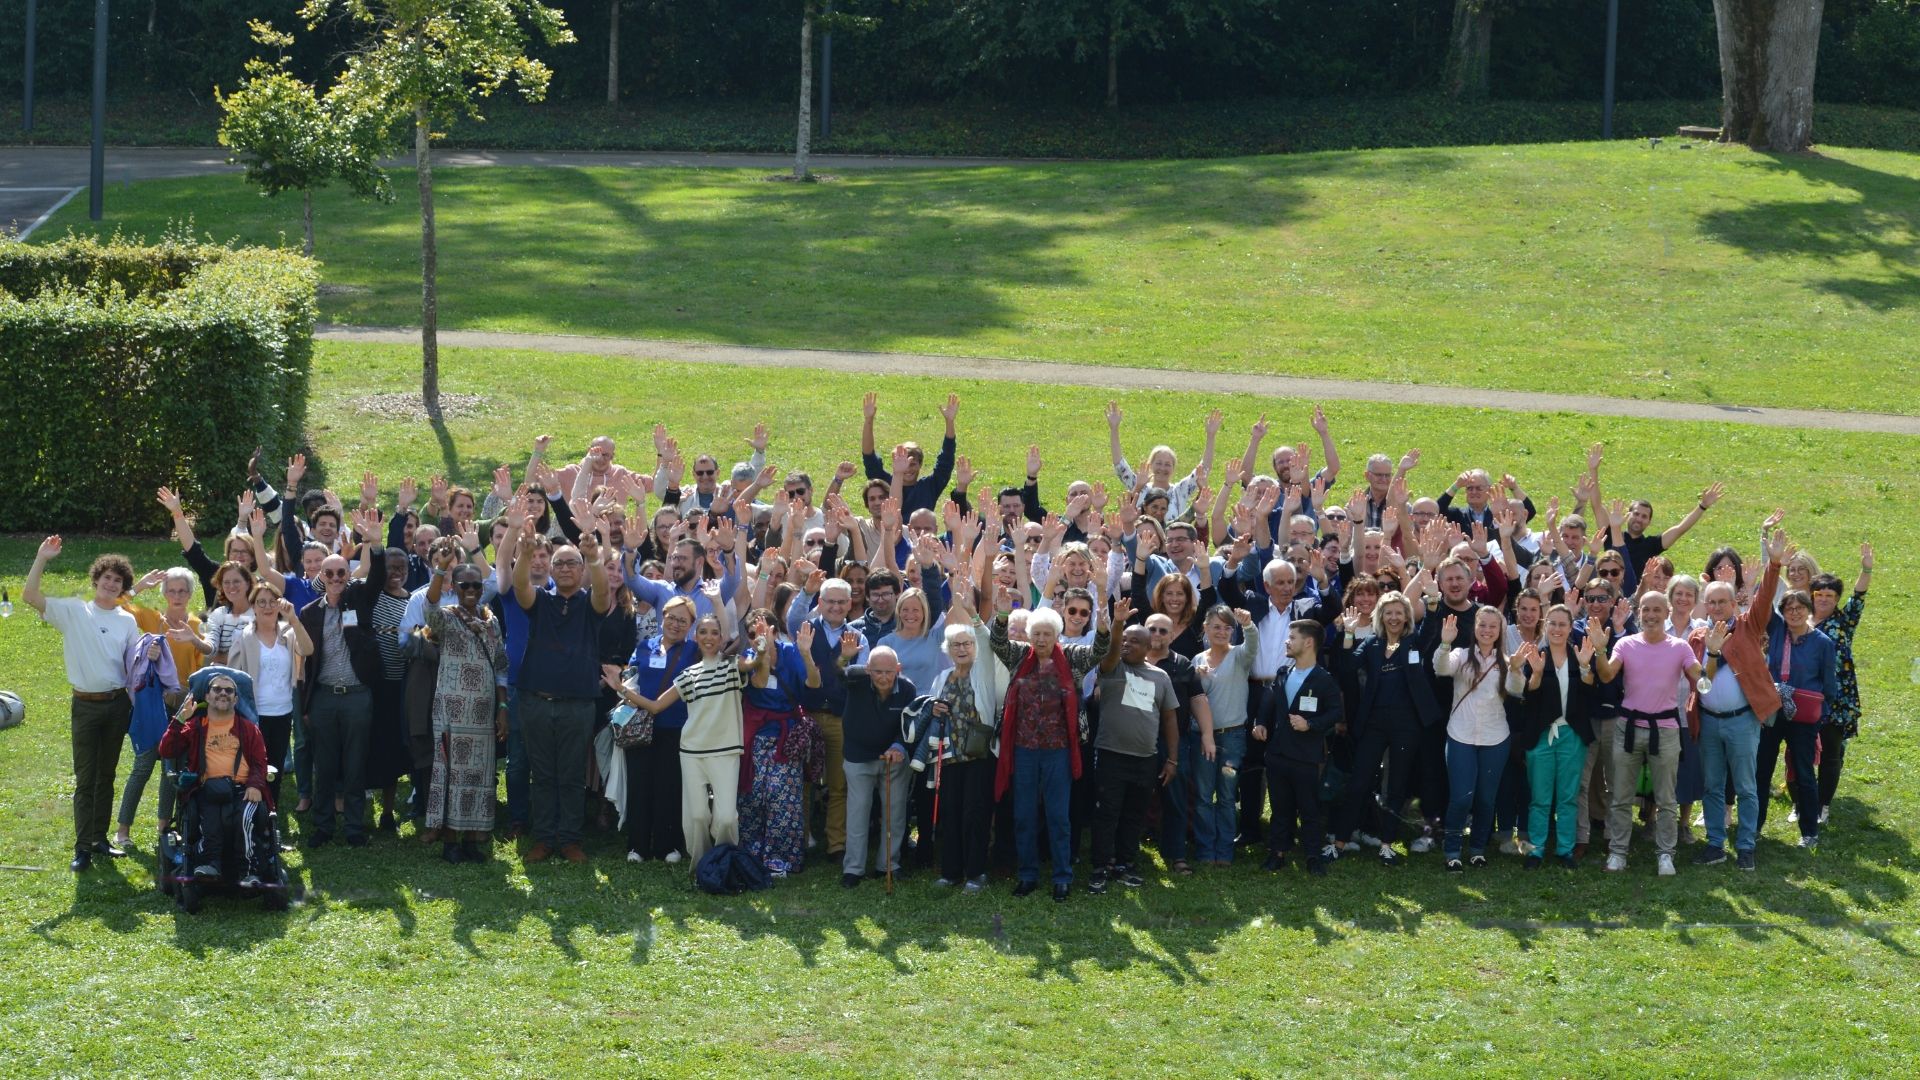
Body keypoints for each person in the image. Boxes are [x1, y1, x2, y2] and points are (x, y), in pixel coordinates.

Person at [23, 536, 143, 871]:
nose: (110, 583)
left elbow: (134, 666)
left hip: (117, 705)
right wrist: (41, 558)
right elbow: (29, 596)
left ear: (122, 588)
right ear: (96, 580)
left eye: (117, 580)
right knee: (85, 777)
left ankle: (99, 839)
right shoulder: (74, 611)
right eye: (106, 577)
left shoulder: (127, 621)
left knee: (106, 775)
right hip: (86, 706)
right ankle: (82, 848)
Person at [989, 599, 1120, 901]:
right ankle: (1027, 875)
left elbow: (1099, 651)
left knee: (1059, 816)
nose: (1041, 639)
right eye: (1037, 634)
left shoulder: (1071, 658)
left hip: (1058, 751)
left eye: (1047, 634)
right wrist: (1002, 612)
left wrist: (1103, 626)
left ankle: (1062, 877)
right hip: (1023, 750)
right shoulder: (1020, 655)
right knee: (1023, 815)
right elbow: (997, 641)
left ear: (1057, 635)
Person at [614, 609, 750, 867]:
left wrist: (763, 648)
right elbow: (655, 706)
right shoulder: (686, 674)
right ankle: (701, 864)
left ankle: (724, 860)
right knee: (696, 816)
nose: (709, 637)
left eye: (714, 633)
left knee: (725, 818)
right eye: (703, 632)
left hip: (723, 749)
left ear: (721, 638)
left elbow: (752, 662)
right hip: (690, 748)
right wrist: (620, 688)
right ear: (695, 638)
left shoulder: (732, 666)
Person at [513, 521, 612, 865]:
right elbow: (520, 586)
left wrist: (595, 558)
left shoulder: (591, 604)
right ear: (552, 570)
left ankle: (569, 840)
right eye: (560, 563)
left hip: (577, 705)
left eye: (573, 563)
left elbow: (603, 593)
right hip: (535, 701)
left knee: (570, 775)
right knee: (541, 774)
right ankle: (543, 839)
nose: (566, 568)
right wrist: (525, 556)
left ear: (582, 569)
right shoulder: (540, 601)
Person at [1688, 526, 1785, 871]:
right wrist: (1712, 655)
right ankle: (1715, 844)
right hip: (1711, 722)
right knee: (1713, 786)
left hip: (1743, 721)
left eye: (1722, 602)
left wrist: (1773, 565)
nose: (1716, 607)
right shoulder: (1697, 639)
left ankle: (1745, 846)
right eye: (1711, 602)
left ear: (1734, 602)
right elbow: (1700, 686)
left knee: (1746, 786)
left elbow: (1765, 597)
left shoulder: (1749, 625)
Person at [1593, 590, 1707, 876]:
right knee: (1620, 795)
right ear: (1638, 612)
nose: (1652, 615)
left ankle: (1666, 854)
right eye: (1646, 609)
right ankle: (1618, 852)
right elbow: (1607, 675)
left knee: (1667, 798)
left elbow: (1703, 685)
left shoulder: (1680, 647)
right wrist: (1598, 650)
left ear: (1667, 612)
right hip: (1628, 729)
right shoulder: (1626, 644)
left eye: (1657, 609)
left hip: (1666, 730)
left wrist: (1713, 654)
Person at [298, 516, 385, 850]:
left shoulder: (359, 600)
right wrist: (306, 705)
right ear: (321, 576)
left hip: (357, 696)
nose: (335, 579)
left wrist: (375, 544)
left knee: (354, 766)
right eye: (329, 573)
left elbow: (376, 576)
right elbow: (305, 660)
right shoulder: (309, 612)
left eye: (341, 573)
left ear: (349, 576)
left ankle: (353, 827)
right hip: (323, 697)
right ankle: (322, 826)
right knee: (325, 764)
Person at [1332, 590, 1437, 865]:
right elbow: (1346, 668)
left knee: (1397, 785)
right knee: (1359, 782)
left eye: (1398, 612)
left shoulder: (1414, 643)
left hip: (1407, 725)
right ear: (1381, 615)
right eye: (1388, 612)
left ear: (1406, 617)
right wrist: (1348, 634)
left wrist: (1433, 600)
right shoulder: (1372, 645)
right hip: (1374, 724)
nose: (1393, 617)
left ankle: (1388, 844)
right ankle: (1339, 841)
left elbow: (1432, 628)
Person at [115, 566, 208, 850]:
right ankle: (122, 830)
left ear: (191, 594)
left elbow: (200, 665)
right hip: (151, 703)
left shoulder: (195, 625)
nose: (177, 595)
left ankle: (164, 826)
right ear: (164, 593)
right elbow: (116, 605)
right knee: (142, 766)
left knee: (172, 769)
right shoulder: (152, 618)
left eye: (182, 591)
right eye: (171, 590)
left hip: (181, 703)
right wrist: (138, 587)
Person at [922, 580, 1006, 893]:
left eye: (966, 644)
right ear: (948, 650)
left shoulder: (983, 671)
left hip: (980, 754)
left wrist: (973, 616)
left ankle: (976, 872)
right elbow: (931, 709)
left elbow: (984, 640)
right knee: (950, 812)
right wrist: (937, 710)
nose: (962, 649)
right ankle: (950, 871)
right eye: (956, 645)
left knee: (976, 813)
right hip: (949, 754)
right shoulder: (942, 676)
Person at [421, 563, 509, 864]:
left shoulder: (492, 621)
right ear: (454, 588)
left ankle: (472, 840)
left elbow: (500, 665)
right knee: (451, 774)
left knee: (479, 774)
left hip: (483, 711)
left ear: (482, 589)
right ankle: (450, 841)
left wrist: (503, 707)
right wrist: (440, 570)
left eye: (475, 585)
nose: (470, 591)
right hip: (451, 710)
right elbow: (429, 607)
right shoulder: (446, 618)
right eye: (464, 585)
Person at [156, 673, 274, 885]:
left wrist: (256, 785)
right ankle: (209, 864)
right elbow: (167, 750)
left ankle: (248, 871)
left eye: (229, 691)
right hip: (206, 788)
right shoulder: (195, 727)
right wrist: (180, 719)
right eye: (217, 689)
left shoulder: (248, 729)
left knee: (244, 819)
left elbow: (260, 761)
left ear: (236, 700)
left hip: (243, 789)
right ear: (207, 697)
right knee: (207, 821)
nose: (223, 693)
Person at [1088, 621, 1180, 893]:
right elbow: (1111, 650)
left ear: (1149, 647)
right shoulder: (1112, 669)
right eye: (1124, 640)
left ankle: (1125, 865)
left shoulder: (1160, 677)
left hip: (1145, 759)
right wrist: (1118, 625)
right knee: (1107, 814)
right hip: (1110, 756)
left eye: (1134, 641)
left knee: (1134, 815)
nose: (1127, 644)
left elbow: (1169, 718)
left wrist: (1172, 759)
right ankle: (1099, 868)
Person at [1432, 606, 1524, 871]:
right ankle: (1452, 850)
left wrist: (1516, 670)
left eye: (1492, 626)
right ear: (1475, 627)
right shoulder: (1461, 655)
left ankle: (1477, 850)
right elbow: (1441, 668)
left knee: (1486, 798)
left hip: (1495, 737)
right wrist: (1445, 643)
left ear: (1499, 631)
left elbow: (1516, 691)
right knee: (1461, 797)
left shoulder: (1506, 660)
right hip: (1460, 734)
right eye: (1482, 625)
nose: (1487, 630)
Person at [1251, 619, 1345, 875]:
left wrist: (1311, 724)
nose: (1287, 641)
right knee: (1280, 807)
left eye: (1292, 637)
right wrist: (1260, 722)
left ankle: (1313, 856)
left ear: (1308, 642)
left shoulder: (1323, 679)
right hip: (1278, 753)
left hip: (1306, 757)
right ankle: (1277, 852)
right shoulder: (1283, 672)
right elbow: (1269, 701)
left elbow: (1336, 713)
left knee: (1309, 808)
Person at [739, 610, 824, 875]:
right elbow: (760, 682)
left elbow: (813, 685)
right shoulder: (750, 657)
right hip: (756, 735)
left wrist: (807, 655)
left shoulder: (792, 652)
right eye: (752, 634)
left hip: (787, 737)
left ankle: (781, 859)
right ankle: (751, 854)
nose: (757, 637)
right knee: (751, 797)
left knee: (782, 798)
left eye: (763, 631)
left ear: (775, 630)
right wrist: (762, 653)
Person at [827, 640, 917, 888]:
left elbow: (910, 725)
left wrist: (899, 746)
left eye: (889, 671)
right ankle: (853, 869)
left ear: (898, 669)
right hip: (858, 756)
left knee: (895, 812)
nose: (884, 677)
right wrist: (844, 658)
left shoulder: (908, 689)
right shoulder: (856, 678)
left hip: (893, 758)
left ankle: (888, 865)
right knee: (858, 811)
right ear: (868, 669)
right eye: (878, 671)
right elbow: (838, 673)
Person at [1515, 605, 1598, 869]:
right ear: (1545, 625)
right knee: (1540, 797)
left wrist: (1585, 667)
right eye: (1552, 623)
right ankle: (1536, 850)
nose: (1557, 629)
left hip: (1571, 735)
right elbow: (1529, 696)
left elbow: (1589, 692)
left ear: (1570, 627)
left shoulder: (1580, 655)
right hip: (1541, 735)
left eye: (1563, 624)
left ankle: (1565, 850)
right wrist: (1537, 673)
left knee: (1567, 796)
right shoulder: (1537, 655)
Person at [1757, 589, 1839, 852]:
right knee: (1762, 770)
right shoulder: (1778, 631)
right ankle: (1754, 827)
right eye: (1789, 608)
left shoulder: (1822, 642)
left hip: (1804, 717)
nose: (1795, 613)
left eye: (1800, 608)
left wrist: (1819, 717)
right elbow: (1764, 602)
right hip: (1773, 710)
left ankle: (1809, 831)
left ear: (1809, 610)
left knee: (1804, 772)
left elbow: (1829, 684)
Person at [624, 597, 698, 863]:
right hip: (641, 728)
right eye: (672, 617)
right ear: (662, 617)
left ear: (690, 626)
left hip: (676, 728)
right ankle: (638, 846)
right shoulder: (645, 647)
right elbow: (630, 677)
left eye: (683, 620)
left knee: (670, 786)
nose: (676, 624)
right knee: (639, 785)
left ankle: (669, 845)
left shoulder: (693, 651)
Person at [228, 583, 313, 812]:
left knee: (274, 770)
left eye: (272, 601)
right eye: (261, 602)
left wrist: (294, 618)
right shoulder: (244, 637)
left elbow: (308, 649)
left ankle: (270, 820)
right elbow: (233, 677)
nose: (267, 607)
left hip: (283, 712)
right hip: (253, 716)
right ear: (253, 607)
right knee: (252, 769)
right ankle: (250, 820)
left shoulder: (289, 632)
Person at [1809, 544, 1872, 825]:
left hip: (1836, 698)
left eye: (1830, 596)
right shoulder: (1799, 620)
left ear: (1836, 599)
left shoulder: (1844, 621)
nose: (1823, 600)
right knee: (1802, 752)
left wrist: (1866, 568)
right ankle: (1803, 801)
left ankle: (1823, 805)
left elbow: (1859, 595)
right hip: (1805, 695)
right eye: (1819, 595)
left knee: (1831, 753)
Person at [1192, 605, 1258, 867]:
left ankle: (1225, 852)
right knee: (1204, 796)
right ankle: (1206, 850)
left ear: (1233, 631)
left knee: (1228, 795)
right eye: (1216, 626)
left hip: (1232, 737)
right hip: (1201, 737)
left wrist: (1249, 625)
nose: (1221, 631)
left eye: (1227, 627)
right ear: (1205, 628)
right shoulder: (1197, 660)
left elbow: (1252, 645)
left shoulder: (1239, 655)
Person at [861, 391, 959, 516]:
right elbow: (868, 455)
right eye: (903, 463)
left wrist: (950, 422)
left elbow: (947, 458)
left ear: (920, 465)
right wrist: (868, 420)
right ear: (895, 464)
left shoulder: (929, 486)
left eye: (912, 464)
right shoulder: (883, 483)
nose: (907, 468)